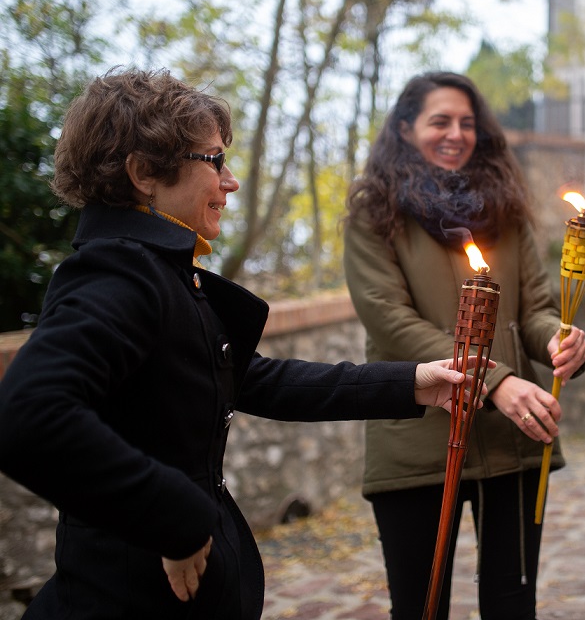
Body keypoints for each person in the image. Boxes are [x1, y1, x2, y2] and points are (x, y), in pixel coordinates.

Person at [0, 67, 486, 620]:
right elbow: (27, 413)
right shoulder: (117, 275)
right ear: (143, 173)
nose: (230, 181)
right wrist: (177, 520)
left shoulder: (160, 272)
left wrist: (409, 383)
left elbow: (251, 378)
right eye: (213, 161)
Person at [342, 71, 585, 619]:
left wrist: (562, 340)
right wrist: (496, 380)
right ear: (406, 129)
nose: (456, 133)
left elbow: (536, 311)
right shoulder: (373, 213)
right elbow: (390, 322)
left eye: (467, 123)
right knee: (420, 607)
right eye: (440, 121)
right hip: (417, 443)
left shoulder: (507, 209)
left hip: (513, 442)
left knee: (511, 605)